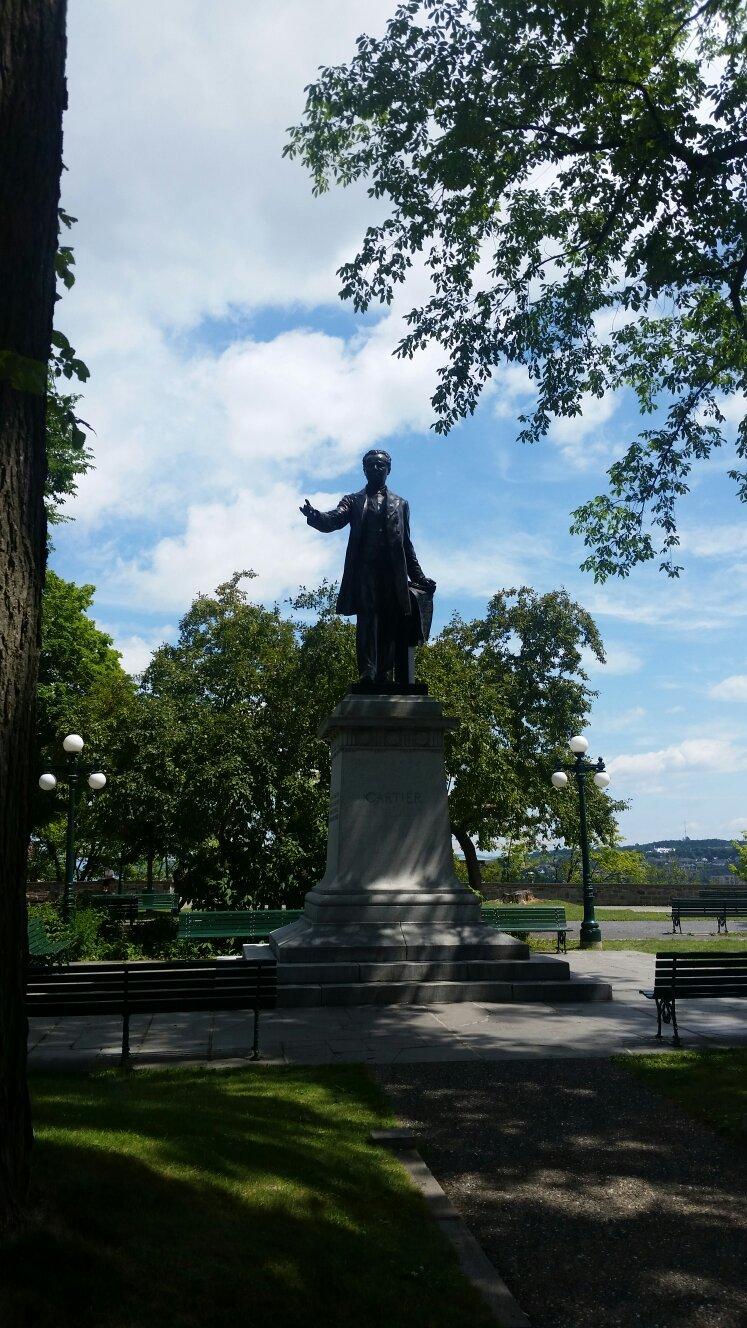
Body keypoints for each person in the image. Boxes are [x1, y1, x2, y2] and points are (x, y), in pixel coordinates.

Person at [300, 449, 436, 685]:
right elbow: (334, 519)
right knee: (368, 620)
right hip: (365, 571)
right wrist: (315, 516)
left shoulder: (401, 504)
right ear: (364, 470)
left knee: (390, 621)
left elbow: (406, 545)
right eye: (370, 465)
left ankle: (385, 674)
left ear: (388, 470)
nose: (375, 469)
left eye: (380, 465)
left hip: (392, 573)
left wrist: (420, 577)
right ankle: (368, 673)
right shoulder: (352, 500)